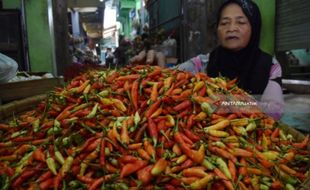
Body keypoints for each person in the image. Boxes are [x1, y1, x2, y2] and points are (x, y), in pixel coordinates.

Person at [131, 0, 284, 120]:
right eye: (224, 23)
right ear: (217, 29)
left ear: (254, 28)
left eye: (241, 22)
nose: (231, 28)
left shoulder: (269, 65)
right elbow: (170, 79)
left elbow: (274, 111)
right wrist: (155, 73)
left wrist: (218, 103)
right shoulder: (202, 64)